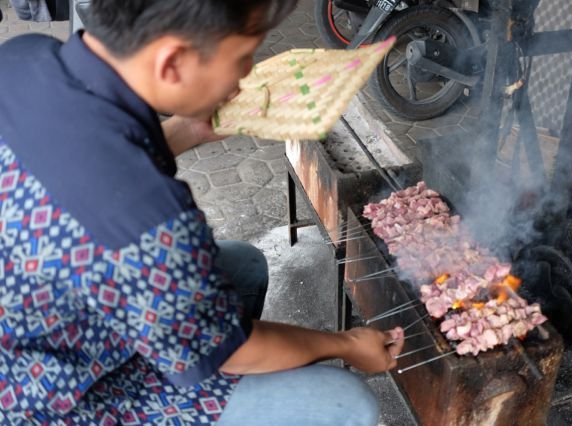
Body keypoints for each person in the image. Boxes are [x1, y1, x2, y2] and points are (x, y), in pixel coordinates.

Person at [0, 1, 405, 424]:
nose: (247, 73)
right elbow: (232, 352)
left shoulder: (22, 59)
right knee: (344, 401)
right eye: (242, 56)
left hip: (46, 318)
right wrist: (347, 344)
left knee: (245, 268)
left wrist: (188, 127)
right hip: (50, 401)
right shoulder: (148, 218)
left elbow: (88, 156)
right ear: (173, 61)